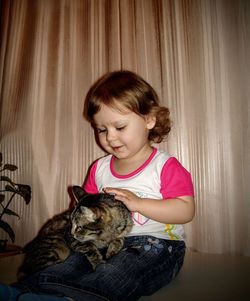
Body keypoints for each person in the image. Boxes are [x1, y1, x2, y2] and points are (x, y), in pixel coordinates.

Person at [0, 70, 195, 301]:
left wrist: (139, 204)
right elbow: (85, 209)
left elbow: (186, 210)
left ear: (149, 120)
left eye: (119, 127)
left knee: (117, 271)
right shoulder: (99, 168)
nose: (110, 138)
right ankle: (25, 292)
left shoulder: (164, 166)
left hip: (155, 245)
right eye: (102, 130)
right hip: (103, 242)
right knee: (71, 263)